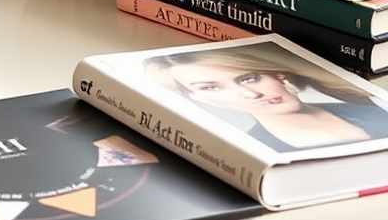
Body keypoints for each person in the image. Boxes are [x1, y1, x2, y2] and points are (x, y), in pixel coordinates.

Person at [145, 43, 388, 151]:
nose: (251, 94)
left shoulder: (366, 102)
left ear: (278, 74)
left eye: (250, 78)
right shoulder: (262, 151)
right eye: (211, 88)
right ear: (199, 99)